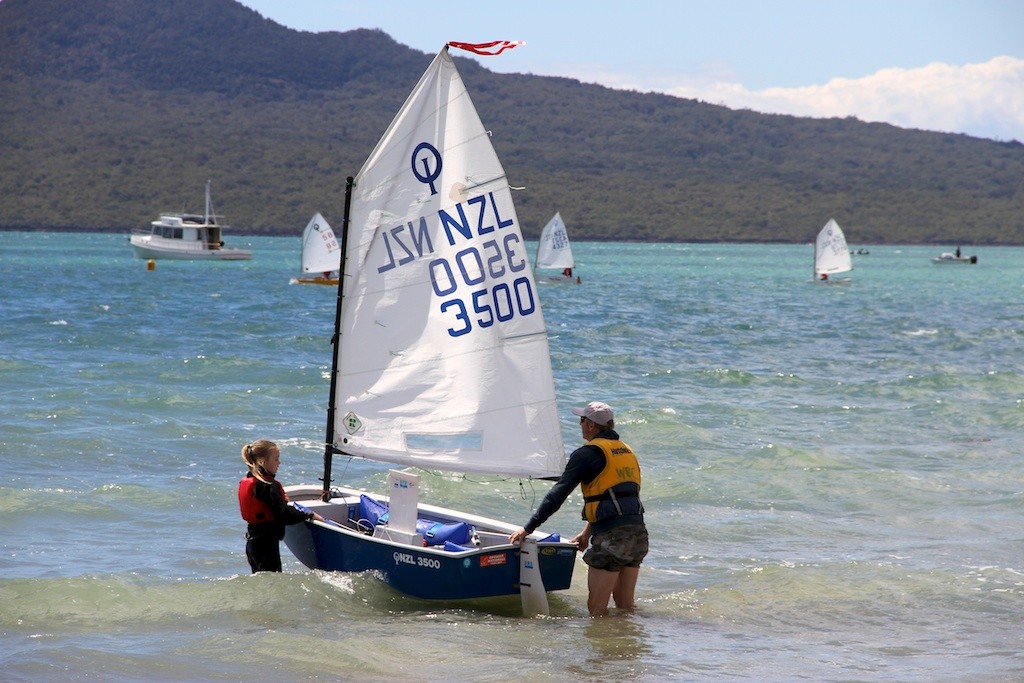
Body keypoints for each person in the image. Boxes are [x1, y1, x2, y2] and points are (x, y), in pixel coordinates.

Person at [509, 401, 648, 617]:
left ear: (591, 426)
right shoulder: (625, 452)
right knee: (626, 607)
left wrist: (528, 529)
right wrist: (586, 533)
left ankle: (608, 649)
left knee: (597, 609)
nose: (580, 424)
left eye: (582, 420)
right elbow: (617, 500)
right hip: (637, 535)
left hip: (613, 539)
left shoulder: (587, 454)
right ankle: (627, 646)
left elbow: (557, 495)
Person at [238, 439, 324, 573]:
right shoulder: (269, 486)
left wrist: (282, 502)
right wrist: (309, 515)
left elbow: (273, 506)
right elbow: (283, 514)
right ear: (262, 461)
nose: (279, 463)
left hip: (252, 545)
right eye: (276, 459)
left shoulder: (253, 481)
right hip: (266, 547)